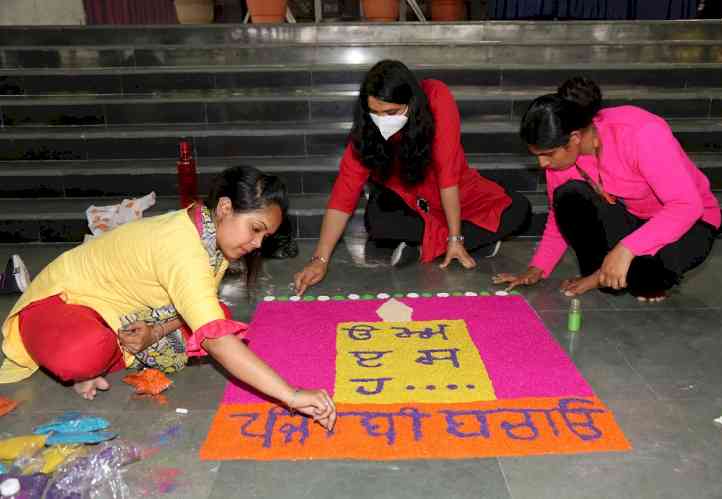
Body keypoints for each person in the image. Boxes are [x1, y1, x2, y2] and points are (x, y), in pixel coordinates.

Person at [0, 166, 335, 430]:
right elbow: (215, 340)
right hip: (61, 303)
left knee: (214, 312)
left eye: (266, 235)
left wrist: (156, 332)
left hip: (119, 314)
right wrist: (291, 395)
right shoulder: (184, 246)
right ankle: (90, 358)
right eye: (256, 228)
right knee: (83, 354)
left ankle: (112, 349)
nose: (258, 244)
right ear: (225, 208)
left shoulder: (206, 235)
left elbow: (187, 307)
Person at [294, 59, 531, 295]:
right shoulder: (367, 129)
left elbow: (448, 176)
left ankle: (426, 248)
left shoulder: (436, 97)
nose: (382, 121)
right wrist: (320, 259)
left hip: (452, 194)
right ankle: (469, 243)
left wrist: (457, 236)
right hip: (406, 198)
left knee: (519, 209)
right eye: (375, 113)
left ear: (411, 102)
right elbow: (344, 193)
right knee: (378, 221)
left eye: (392, 112)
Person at [494, 77, 721, 301]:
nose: (542, 164)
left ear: (574, 137)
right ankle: (606, 273)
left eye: (548, 154)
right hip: (636, 218)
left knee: (645, 279)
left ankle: (604, 275)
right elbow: (560, 217)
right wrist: (538, 268)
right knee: (568, 196)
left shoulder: (640, 132)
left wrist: (627, 248)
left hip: (693, 221)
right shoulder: (561, 160)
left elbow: (687, 206)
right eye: (537, 155)